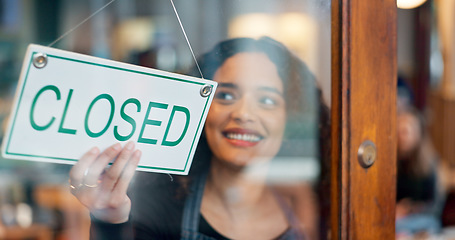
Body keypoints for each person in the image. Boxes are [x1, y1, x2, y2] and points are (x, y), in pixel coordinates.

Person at [68, 37, 329, 240]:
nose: (244, 114)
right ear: (199, 111)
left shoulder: (314, 206)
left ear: (290, 118)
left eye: (267, 100)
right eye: (226, 95)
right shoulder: (155, 207)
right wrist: (110, 220)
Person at [395, 107, 442, 237]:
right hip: (396, 219)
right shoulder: (390, 163)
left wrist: (410, 208)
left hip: (421, 219)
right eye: (399, 131)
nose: (402, 137)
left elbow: (435, 206)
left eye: (405, 132)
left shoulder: (429, 163)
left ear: (418, 133)